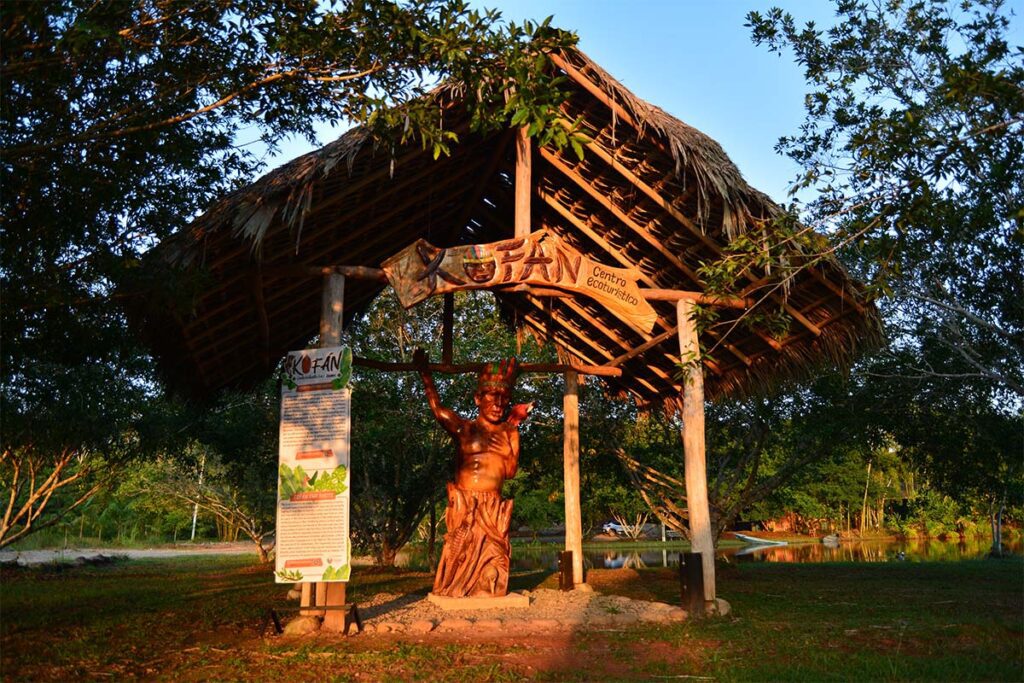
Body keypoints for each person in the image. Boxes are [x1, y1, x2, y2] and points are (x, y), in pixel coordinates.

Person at [413, 348, 532, 598]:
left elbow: (510, 472)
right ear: (478, 399)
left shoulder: (510, 433)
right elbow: (438, 410)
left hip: (493, 509)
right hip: (465, 505)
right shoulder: (465, 430)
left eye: (504, 398)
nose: (499, 404)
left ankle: (487, 589)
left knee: (495, 559)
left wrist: (506, 452)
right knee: (460, 552)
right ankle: (454, 588)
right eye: (492, 397)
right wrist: (425, 374)